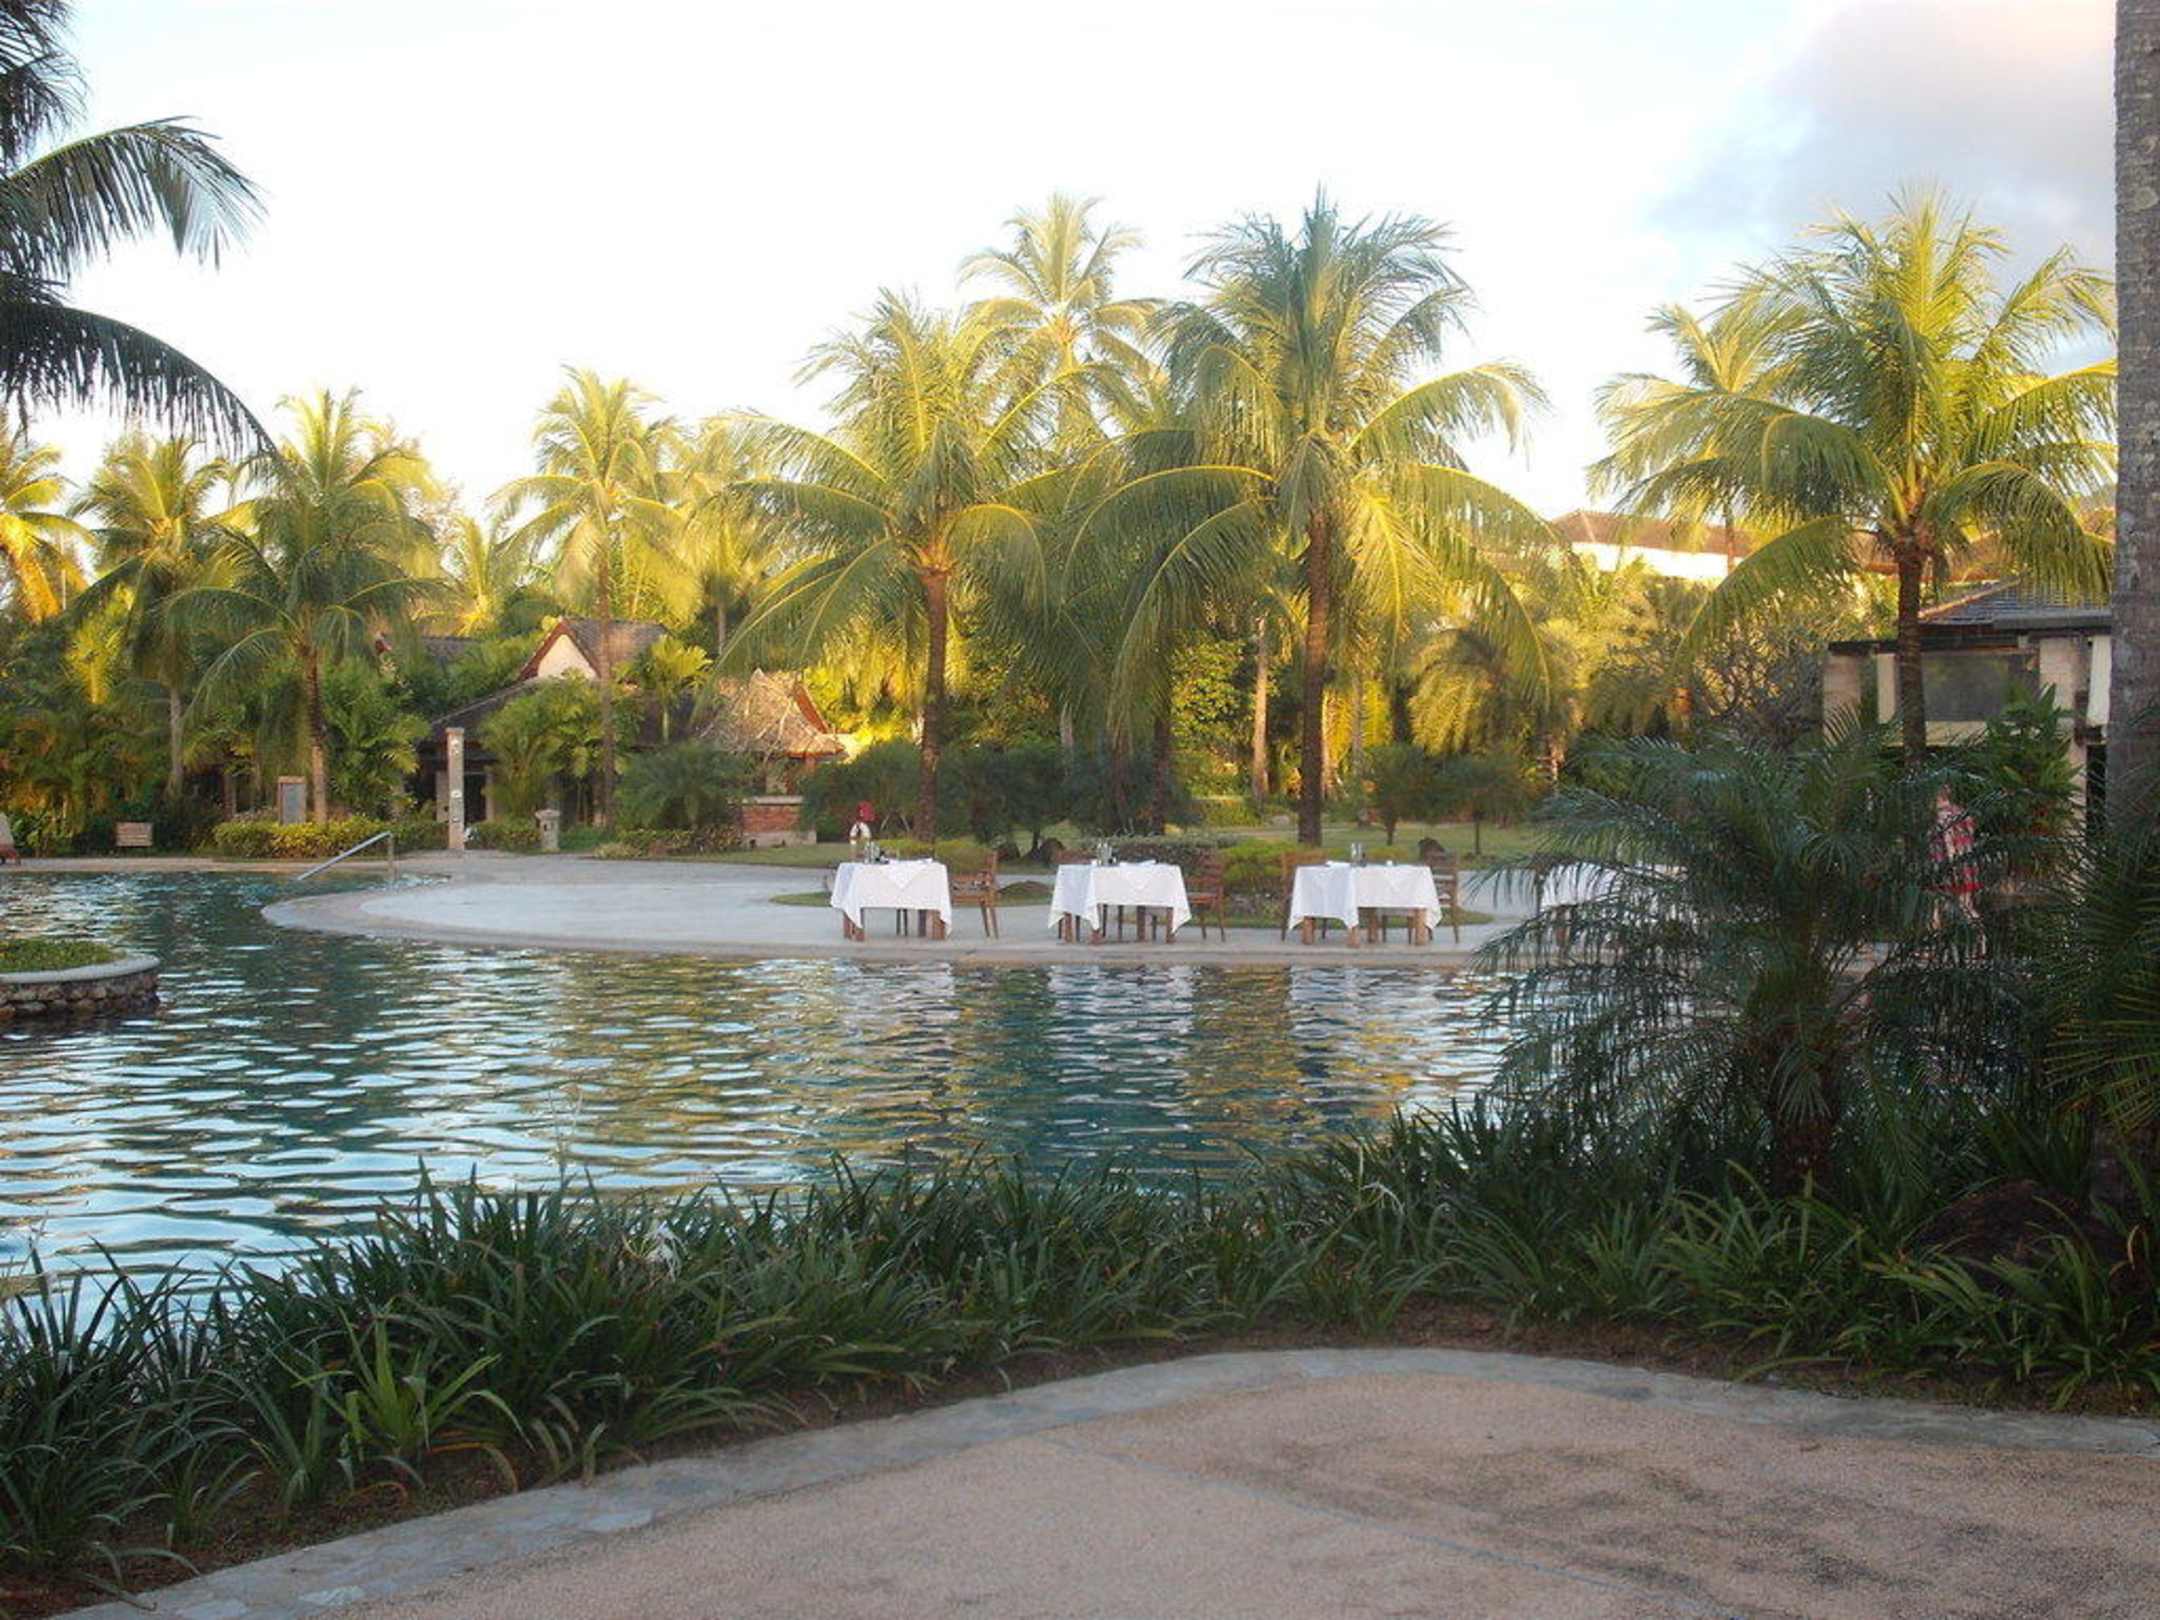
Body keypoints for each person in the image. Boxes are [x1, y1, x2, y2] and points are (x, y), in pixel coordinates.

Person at [1928, 786, 1980, 929]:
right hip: (1967, 864)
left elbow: (1948, 840)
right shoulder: (1962, 812)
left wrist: (1951, 865)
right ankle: (1980, 938)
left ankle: (1934, 938)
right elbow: (1970, 836)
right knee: (1966, 906)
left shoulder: (1942, 815)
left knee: (1937, 905)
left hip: (1949, 866)